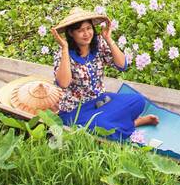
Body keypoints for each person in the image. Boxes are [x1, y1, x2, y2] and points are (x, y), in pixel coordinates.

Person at [50, 8, 157, 142]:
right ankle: (134, 123)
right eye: (80, 30)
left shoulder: (99, 44)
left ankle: (120, 124)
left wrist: (108, 39)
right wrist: (65, 48)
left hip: (102, 101)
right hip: (76, 110)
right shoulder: (63, 54)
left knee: (138, 100)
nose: (86, 33)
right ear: (71, 33)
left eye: (89, 28)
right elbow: (63, 83)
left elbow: (122, 65)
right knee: (102, 127)